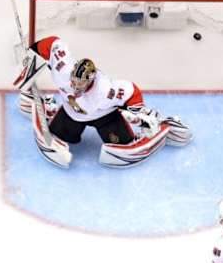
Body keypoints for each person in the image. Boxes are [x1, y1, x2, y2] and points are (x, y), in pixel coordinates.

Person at [13, 35, 192, 168]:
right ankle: (51, 108)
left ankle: (167, 125)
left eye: (80, 83)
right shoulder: (63, 70)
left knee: (121, 145)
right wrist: (31, 57)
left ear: (91, 80)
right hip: (71, 114)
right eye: (74, 80)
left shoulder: (106, 90)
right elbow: (53, 43)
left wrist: (139, 113)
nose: (74, 85)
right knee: (60, 135)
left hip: (105, 117)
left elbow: (131, 91)